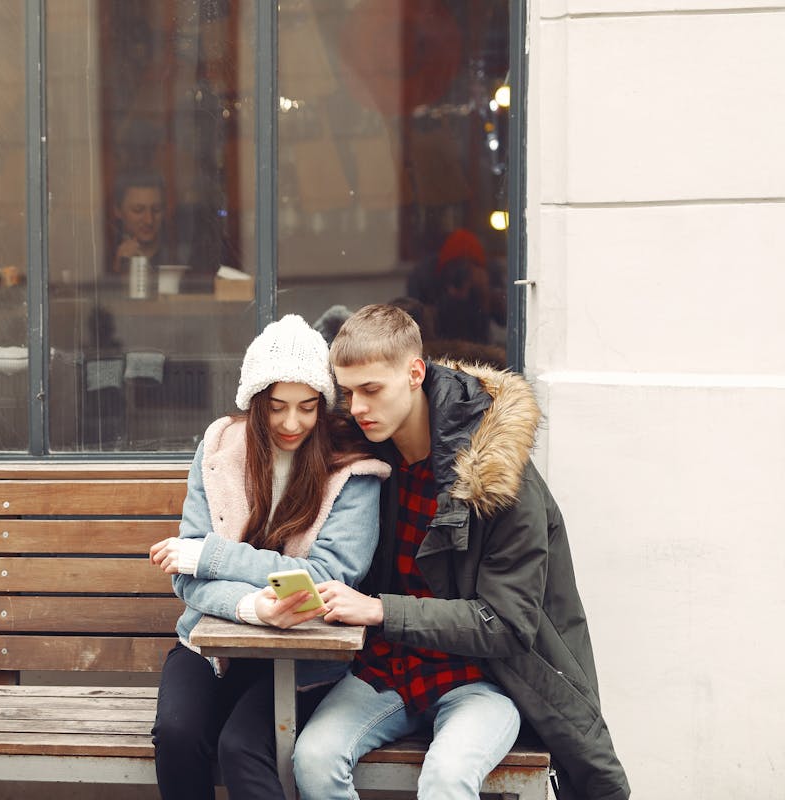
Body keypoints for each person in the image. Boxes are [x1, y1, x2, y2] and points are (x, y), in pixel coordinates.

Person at [292, 304, 630, 800]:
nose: (358, 407)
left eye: (371, 390)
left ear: (414, 373)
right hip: (387, 669)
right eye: (347, 392)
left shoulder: (497, 478)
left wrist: (380, 610)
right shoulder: (367, 456)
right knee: (312, 759)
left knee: (447, 778)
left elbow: (506, 624)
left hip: (483, 678)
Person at [148, 314, 391, 800]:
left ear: (323, 405)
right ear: (255, 403)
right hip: (211, 645)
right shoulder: (218, 448)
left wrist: (213, 557)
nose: (292, 423)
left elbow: (322, 577)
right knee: (177, 735)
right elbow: (184, 576)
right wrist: (252, 608)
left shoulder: (353, 471)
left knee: (242, 746)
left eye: (307, 407)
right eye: (277, 406)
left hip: (302, 655)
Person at [110, 171, 168, 272]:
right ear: (118, 210)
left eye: (156, 209)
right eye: (138, 210)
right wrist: (118, 269)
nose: (149, 220)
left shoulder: (179, 256)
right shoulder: (103, 258)